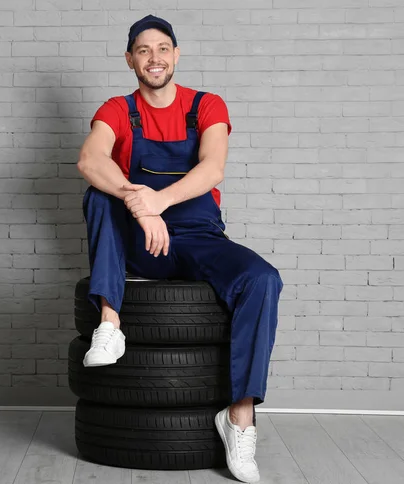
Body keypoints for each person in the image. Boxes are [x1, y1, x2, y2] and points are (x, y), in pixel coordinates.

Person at [76, 14, 283, 484]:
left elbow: (213, 169)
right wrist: (140, 205)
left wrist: (161, 200)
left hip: (197, 236)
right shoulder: (117, 108)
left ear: (177, 55)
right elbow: (89, 159)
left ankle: (239, 418)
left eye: (163, 48)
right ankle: (111, 321)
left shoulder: (206, 105)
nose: (154, 58)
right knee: (98, 194)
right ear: (130, 59)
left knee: (262, 279)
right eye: (144, 50)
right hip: (140, 243)